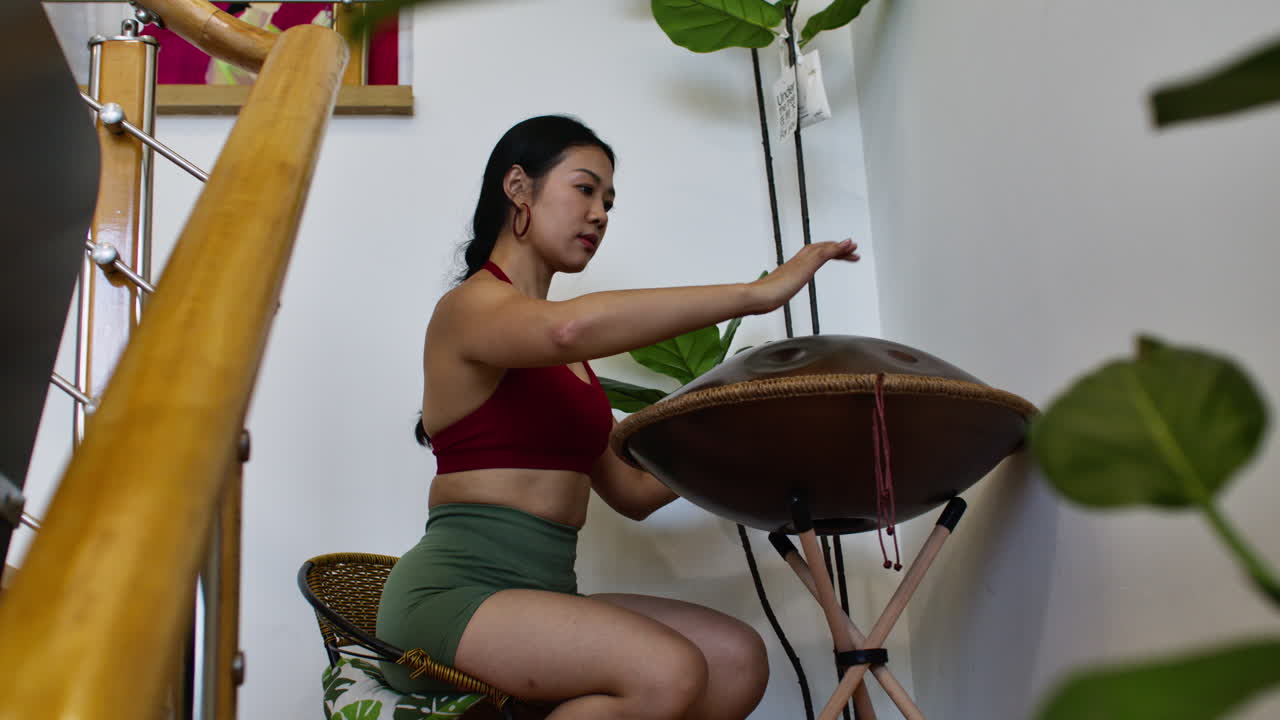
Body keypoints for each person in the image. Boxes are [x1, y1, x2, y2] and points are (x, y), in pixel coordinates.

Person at [377, 115, 859, 720]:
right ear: (518, 188)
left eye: (609, 201)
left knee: (736, 661)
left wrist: (760, 442)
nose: (600, 213)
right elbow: (569, 327)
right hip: (454, 596)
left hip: (541, 594)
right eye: (585, 189)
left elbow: (632, 491)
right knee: (667, 672)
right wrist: (758, 293)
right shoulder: (470, 307)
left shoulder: (568, 364)